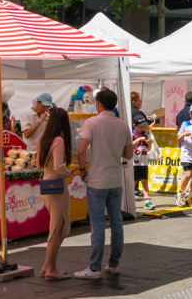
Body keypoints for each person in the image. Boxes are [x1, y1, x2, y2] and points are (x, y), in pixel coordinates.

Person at [75, 88, 134, 279]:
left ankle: (94, 268)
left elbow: (82, 150)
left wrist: (82, 168)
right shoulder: (123, 125)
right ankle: (113, 263)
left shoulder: (92, 122)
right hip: (115, 179)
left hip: (97, 180)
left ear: (98, 104)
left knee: (98, 224)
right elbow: (128, 154)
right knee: (116, 222)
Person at [37, 108, 74, 281]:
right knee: (56, 230)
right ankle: (51, 268)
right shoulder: (58, 140)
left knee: (56, 228)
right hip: (58, 186)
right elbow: (59, 167)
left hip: (46, 186)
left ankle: (47, 265)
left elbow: (38, 165)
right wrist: (70, 172)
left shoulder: (42, 139)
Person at [132, 114, 155, 210]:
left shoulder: (145, 135)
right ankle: (130, 200)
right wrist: (139, 139)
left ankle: (147, 200)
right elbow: (130, 146)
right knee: (133, 181)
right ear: (134, 126)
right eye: (140, 126)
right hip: (134, 162)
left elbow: (148, 148)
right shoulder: (132, 135)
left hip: (143, 162)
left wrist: (149, 143)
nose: (142, 128)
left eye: (144, 126)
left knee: (144, 181)